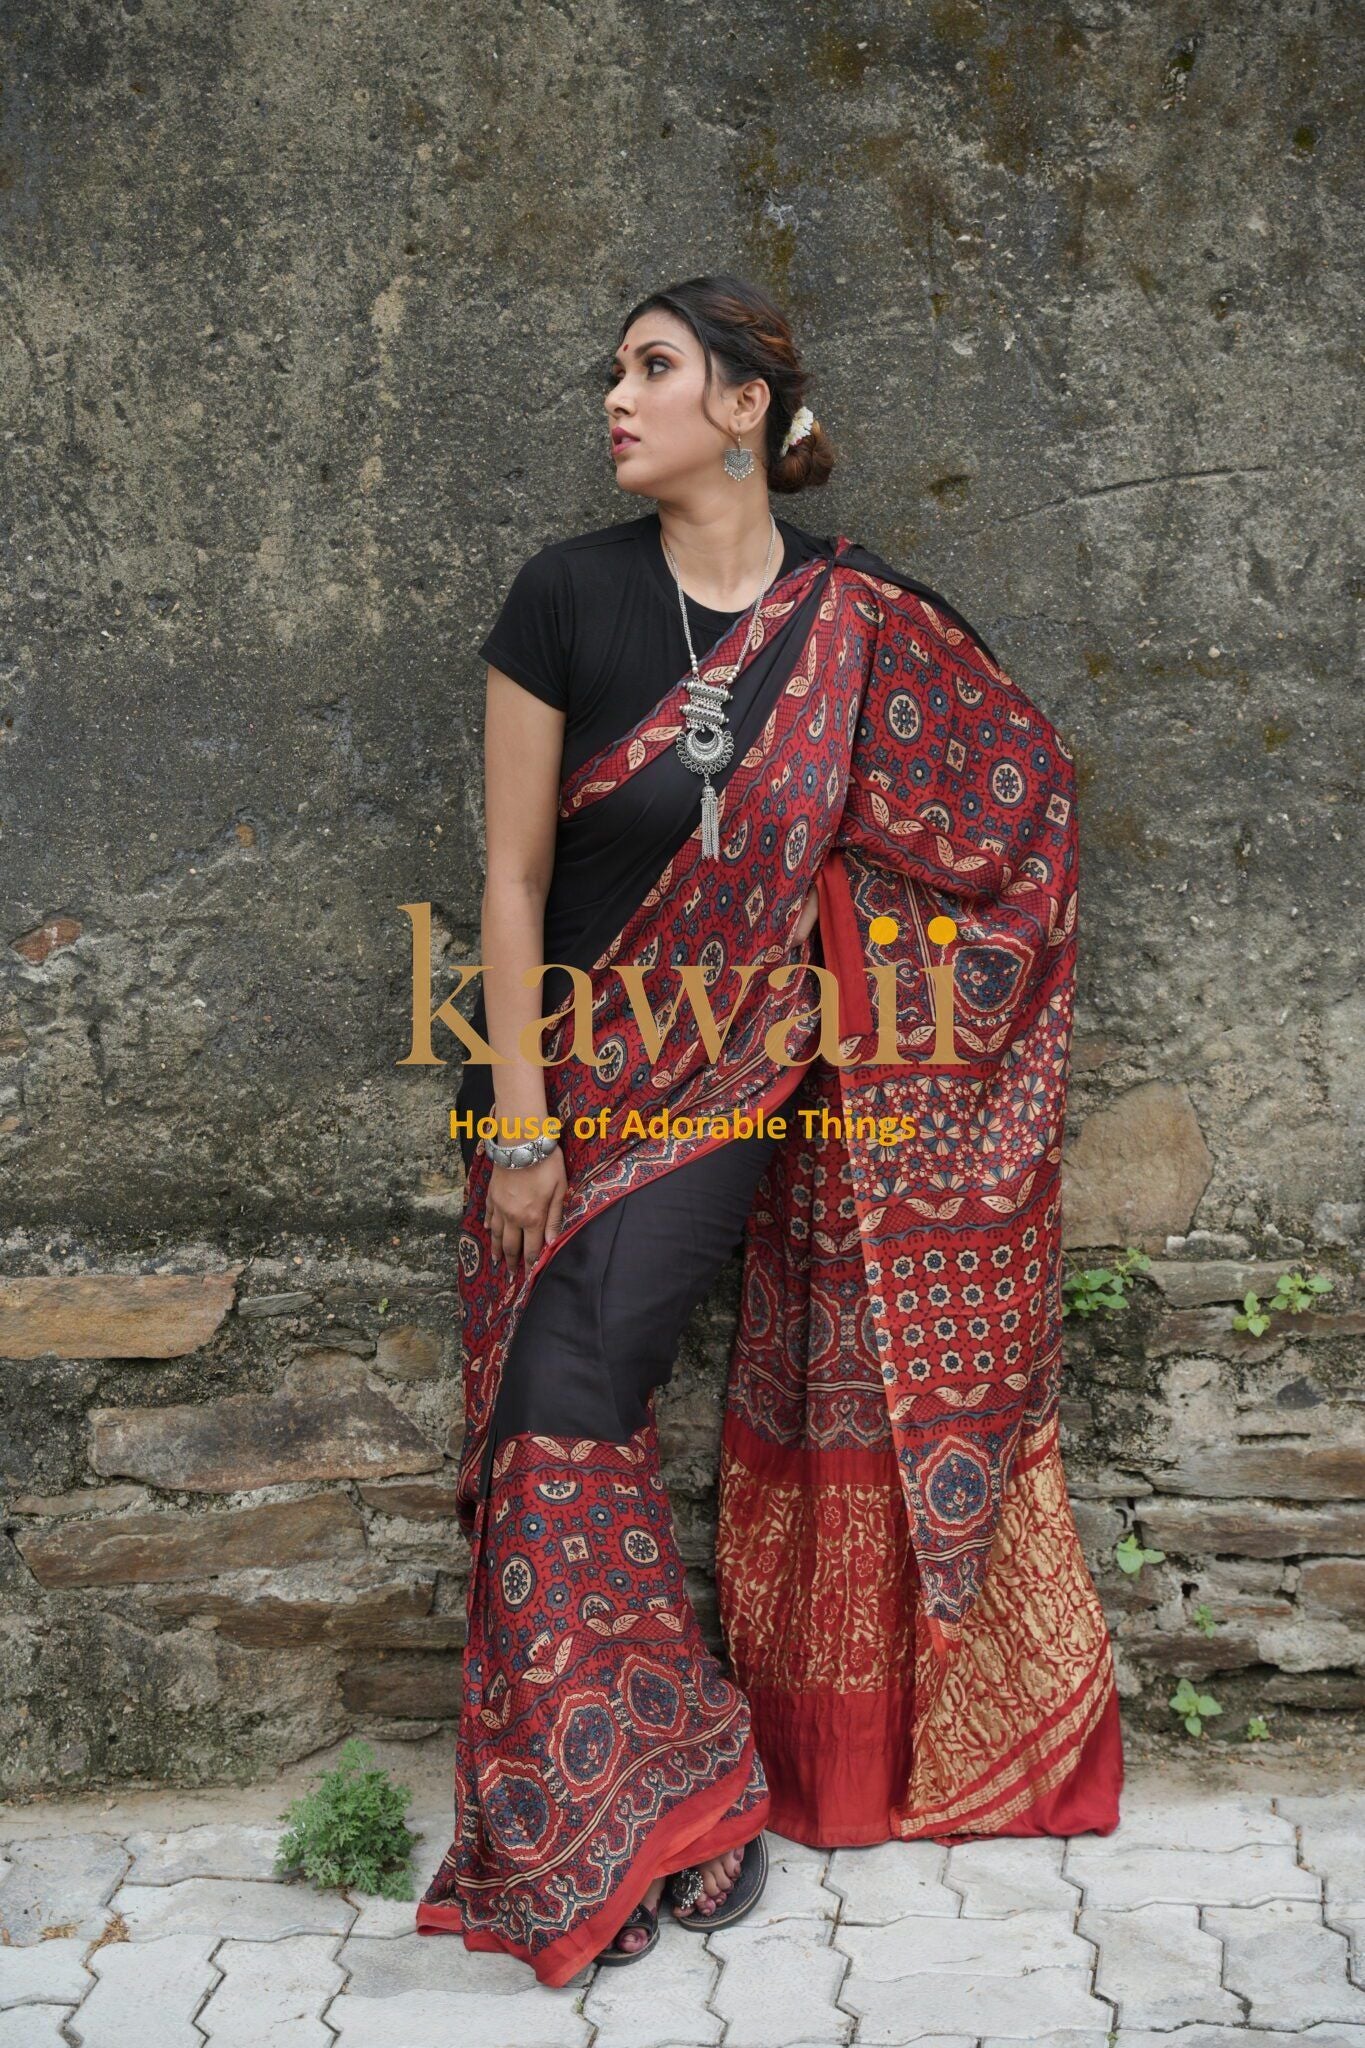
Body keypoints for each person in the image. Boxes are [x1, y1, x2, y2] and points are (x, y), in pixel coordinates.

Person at [416, 273, 1123, 1986]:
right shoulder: (563, 597)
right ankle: (652, 1796)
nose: (616, 396)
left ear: (745, 406)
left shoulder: (856, 619)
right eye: (614, 371)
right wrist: (517, 1116)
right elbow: (509, 881)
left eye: (653, 369)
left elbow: (1006, 816)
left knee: (579, 1403)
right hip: (555, 1072)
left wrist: (891, 1030)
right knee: (536, 1423)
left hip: (720, 1093)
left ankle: (668, 1795)